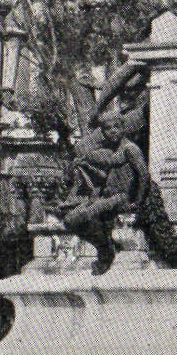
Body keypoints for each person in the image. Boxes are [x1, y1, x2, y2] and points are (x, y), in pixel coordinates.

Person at [56, 111, 150, 274]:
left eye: (116, 127)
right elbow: (107, 176)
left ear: (123, 128)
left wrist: (137, 202)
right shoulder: (112, 151)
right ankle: (105, 247)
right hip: (106, 197)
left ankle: (105, 250)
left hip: (120, 198)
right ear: (103, 132)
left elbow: (144, 175)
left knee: (79, 218)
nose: (113, 131)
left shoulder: (130, 149)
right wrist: (86, 165)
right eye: (108, 128)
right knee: (69, 219)